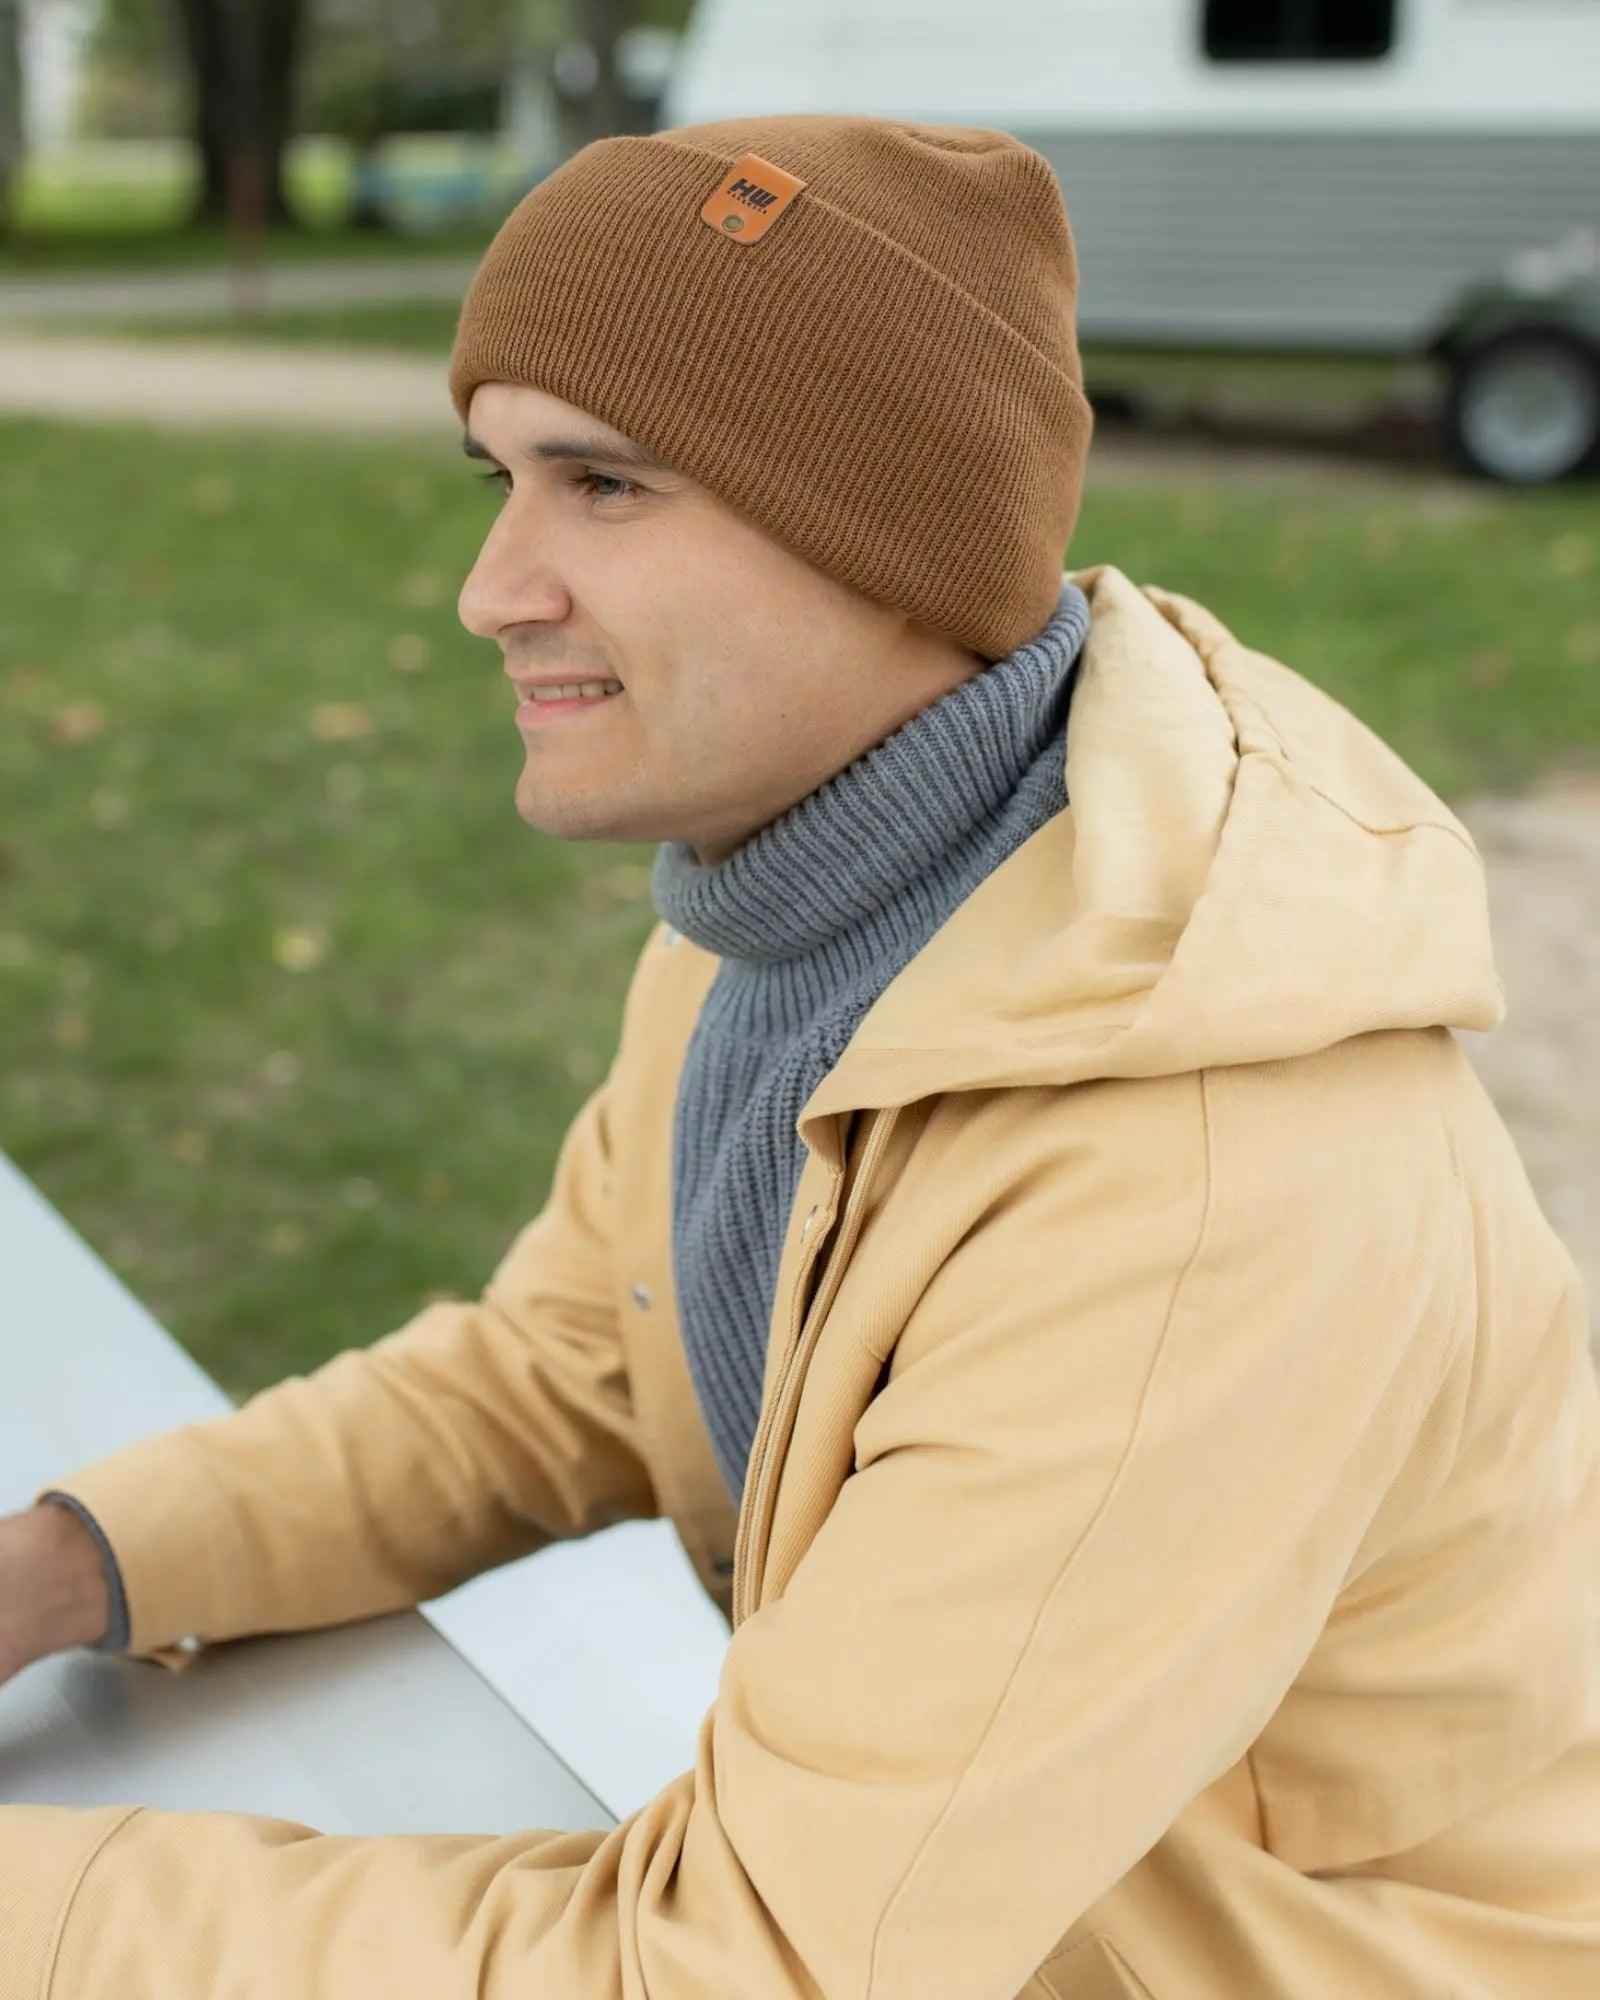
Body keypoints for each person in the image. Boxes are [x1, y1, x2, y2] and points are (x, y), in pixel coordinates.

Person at [1, 113, 1596, 1999]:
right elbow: (574, 1366)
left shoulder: (1195, 1181)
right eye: (500, 477)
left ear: (893, 537)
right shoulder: (801, 905)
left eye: (603, 486)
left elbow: (736, 1969)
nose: (491, 587)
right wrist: (70, 1564)